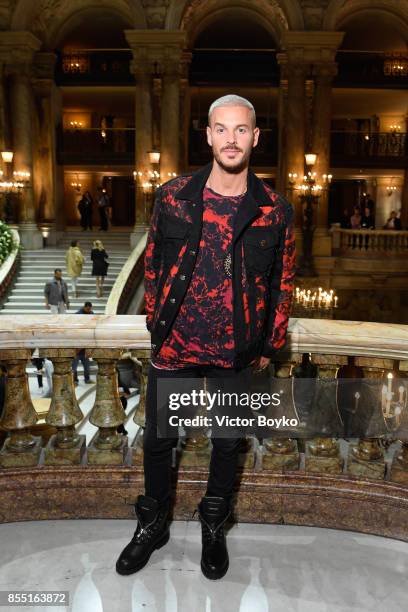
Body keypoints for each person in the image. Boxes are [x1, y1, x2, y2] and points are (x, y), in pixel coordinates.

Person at [115, 95, 296, 579]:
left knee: (226, 441)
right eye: (222, 129)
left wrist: (267, 344)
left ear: (255, 138)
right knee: (157, 439)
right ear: (209, 135)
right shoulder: (174, 195)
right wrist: (157, 322)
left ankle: (213, 526)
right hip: (175, 346)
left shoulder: (274, 210)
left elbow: (282, 283)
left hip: (235, 353)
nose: (231, 139)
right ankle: (152, 525)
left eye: (241, 130)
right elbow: (153, 263)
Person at [72, 302, 94, 385]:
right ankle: (75, 380)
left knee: (87, 367)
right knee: (74, 367)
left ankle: (87, 379)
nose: (89, 310)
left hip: (85, 348)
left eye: (90, 309)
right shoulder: (78, 315)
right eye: (88, 309)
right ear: (84, 307)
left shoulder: (91, 314)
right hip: (77, 349)